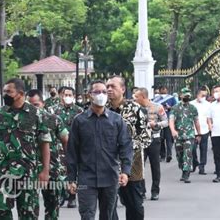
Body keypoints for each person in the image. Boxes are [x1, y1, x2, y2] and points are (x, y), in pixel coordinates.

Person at [0, 78, 52, 219]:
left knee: (28, 214)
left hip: (28, 173)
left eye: (9, 92)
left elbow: (44, 144)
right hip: (4, 172)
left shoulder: (36, 114)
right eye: (4, 91)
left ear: (20, 93)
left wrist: (45, 170)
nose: (5, 94)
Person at [67, 80, 133, 220]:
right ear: (90, 95)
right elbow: (72, 152)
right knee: (87, 215)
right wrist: (71, 179)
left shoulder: (116, 120)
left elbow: (125, 147)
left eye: (104, 92)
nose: (101, 95)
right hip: (86, 179)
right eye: (97, 92)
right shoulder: (79, 121)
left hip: (110, 177)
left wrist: (126, 172)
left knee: (107, 216)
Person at [106, 76, 151, 220]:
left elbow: (146, 137)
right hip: (108, 164)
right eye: (107, 87)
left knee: (135, 206)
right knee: (108, 206)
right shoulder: (102, 110)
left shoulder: (136, 109)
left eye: (113, 86)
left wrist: (126, 149)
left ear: (123, 89)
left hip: (132, 164)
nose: (109, 89)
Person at [27, 89, 69, 220]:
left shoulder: (53, 119)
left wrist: (68, 165)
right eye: (29, 105)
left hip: (52, 168)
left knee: (52, 206)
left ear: (43, 103)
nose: (32, 109)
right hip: (30, 168)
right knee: (29, 207)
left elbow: (65, 140)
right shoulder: (23, 122)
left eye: (35, 105)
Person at [50, 86, 84, 208]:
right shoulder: (53, 110)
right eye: (65, 95)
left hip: (75, 145)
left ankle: (72, 197)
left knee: (73, 170)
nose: (68, 97)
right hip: (59, 145)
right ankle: (61, 195)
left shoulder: (79, 111)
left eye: (70, 95)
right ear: (61, 96)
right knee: (60, 171)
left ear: (74, 96)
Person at [134, 87, 168, 200]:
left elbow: (166, 121)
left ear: (143, 96)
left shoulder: (157, 107)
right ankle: (141, 191)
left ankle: (155, 191)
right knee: (139, 166)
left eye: (137, 96)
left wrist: (156, 124)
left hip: (154, 139)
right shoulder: (134, 108)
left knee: (155, 165)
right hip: (139, 140)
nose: (135, 98)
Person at [169, 87, 202, 183]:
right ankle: (183, 167)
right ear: (181, 95)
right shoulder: (175, 108)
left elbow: (196, 121)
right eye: (185, 94)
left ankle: (186, 173)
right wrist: (173, 130)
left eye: (188, 95)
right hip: (178, 135)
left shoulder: (193, 108)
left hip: (189, 135)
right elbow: (171, 120)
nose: (187, 96)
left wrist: (199, 134)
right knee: (179, 155)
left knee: (188, 153)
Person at [190, 86, 212, 175]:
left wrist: (210, 126)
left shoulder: (208, 104)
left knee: (203, 149)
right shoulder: (191, 104)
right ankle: (195, 162)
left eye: (205, 95)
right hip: (192, 130)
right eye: (202, 95)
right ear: (197, 94)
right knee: (192, 149)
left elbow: (209, 117)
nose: (203, 97)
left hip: (204, 130)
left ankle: (202, 166)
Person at [153, 86, 177, 162]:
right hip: (159, 121)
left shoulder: (171, 98)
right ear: (159, 90)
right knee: (161, 139)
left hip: (168, 120)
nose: (163, 90)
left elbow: (176, 108)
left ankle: (169, 154)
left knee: (169, 139)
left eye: (165, 89)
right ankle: (162, 155)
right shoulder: (156, 99)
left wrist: (170, 108)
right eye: (162, 89)